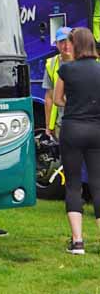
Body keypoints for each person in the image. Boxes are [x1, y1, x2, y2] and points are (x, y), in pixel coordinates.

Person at [53, 27, 100, 255]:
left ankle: (78, 242)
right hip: (97, 130)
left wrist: (73, 104)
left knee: (73, 184)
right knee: (98, 183)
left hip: (72, 129)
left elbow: (57, 100)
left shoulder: (66, 69)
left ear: (76, 45)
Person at [43, 26, 74, 139]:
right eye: (62, 42)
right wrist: (48, 125)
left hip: (84, 122)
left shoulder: (86, 61)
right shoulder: (51, 64)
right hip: (62, 124)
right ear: (56, 44)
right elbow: (49, 97)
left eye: (70, 41)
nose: (66, 45)